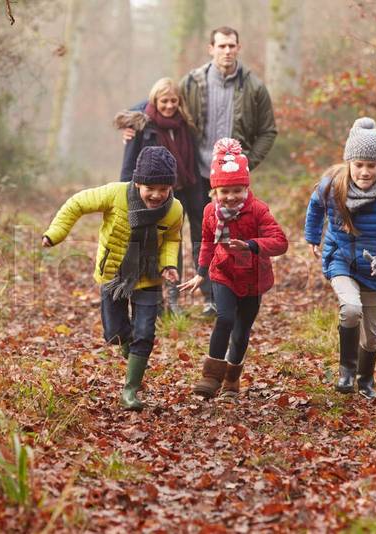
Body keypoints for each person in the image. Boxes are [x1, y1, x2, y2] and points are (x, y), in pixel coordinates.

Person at [124, 26, 278, 317]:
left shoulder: (254, 87)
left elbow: (268, 130)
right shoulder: (192, 82)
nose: (227, 51)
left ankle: (216, 297)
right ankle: (175, 297)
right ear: (211, 49)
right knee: (178, 232)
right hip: (194, 173)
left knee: (218, 236)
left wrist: (245, 163)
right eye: (221, 46)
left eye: (231, 45)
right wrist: (133, 121)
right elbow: (160, 99)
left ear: (238, 48)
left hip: (229, 181)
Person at [42, 146, 183, 411]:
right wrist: (55, 233)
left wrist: (168, 265)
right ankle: (132, 353)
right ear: (137, 182)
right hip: (114, 275)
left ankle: (130, 390)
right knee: (114, 333)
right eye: (150, 188)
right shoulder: (115, 194)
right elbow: (77, 204)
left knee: (145, 333)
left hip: (149, 277)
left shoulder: (174, 209)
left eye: (164, 189)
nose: (157, 195)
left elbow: (172, 239)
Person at [304, 118, 376, 400]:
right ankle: (346, 373)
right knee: (351, 309)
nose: (365, 172)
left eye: (371, 165)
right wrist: (313, 236)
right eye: (359, 164)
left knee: (372, 336)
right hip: (340, 259)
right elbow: (315, 206)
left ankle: (365, 379)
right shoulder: (332, 186)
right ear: (349, 162)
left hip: (375, 269)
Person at [180, 138, 287, 399]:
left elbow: (280, 242)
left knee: (241, 332)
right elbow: (207, 242)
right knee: (225, 318)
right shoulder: (210, 212)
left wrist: (251, 245)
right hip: (223, 273)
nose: (230, 197)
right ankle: (211, 376)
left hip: (253, 278)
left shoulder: (258, 210)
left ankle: (231, 380)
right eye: (224, 191)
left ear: (246, 188)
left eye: (237, 190)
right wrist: (201, 272)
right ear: (214, 191)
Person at [114, 78, 205, 316]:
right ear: (155, 100)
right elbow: (128, 165)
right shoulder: (141, 125)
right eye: (164, 101)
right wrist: (127, 196)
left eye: (174, 100)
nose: (169, 106)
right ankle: (156, 301)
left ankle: (178, 299)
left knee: (179, 242)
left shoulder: (185, 123)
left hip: (185, 189)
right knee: (154, 245)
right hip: (154, 195)